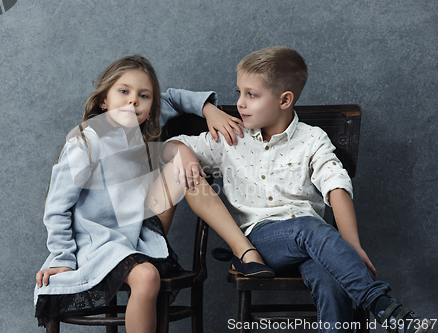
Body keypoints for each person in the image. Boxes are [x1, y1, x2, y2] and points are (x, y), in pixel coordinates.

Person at [165, 46, 432, 333]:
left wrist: (350, 247)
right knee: (306, 228)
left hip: (315, 243)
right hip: (261, 242)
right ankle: (380, 302)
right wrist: (184, 153)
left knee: (332, 280)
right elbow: (168, 147)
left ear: (285, 99)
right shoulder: (233, 137)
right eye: (239, 92)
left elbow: (336, 186)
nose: (240, 103)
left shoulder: (313, 138)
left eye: (251, 95)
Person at [34, 55, 273, 333]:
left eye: (143, 96)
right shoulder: (86, 141)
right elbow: (57, 207)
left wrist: (210, 111)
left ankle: (244, 251)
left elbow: (172, 99)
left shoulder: (141, 123)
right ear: (103, 101)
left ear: (150, 108)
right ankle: (243, 252)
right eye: (123, 92)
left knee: (186, 166)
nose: (133, 101)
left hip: (139, 231)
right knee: (147, 276)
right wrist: (63, 258)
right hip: (98, 242)